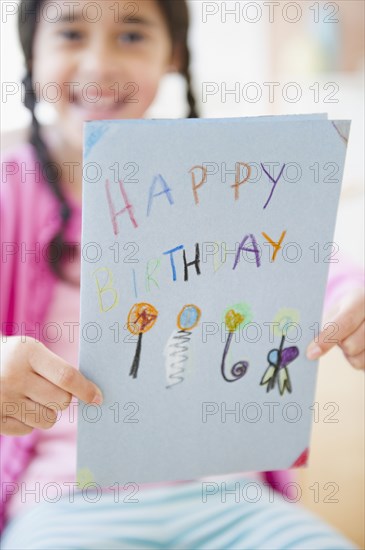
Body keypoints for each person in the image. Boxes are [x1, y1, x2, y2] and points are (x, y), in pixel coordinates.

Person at [0, 1, 363, 548]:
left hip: (230, 499)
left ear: (172, 53)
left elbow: (319, 266)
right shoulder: (10, 194)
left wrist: (353, 298)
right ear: (32, 52)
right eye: (71, 33)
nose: (99, 64)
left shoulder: (220, 177)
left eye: (131, 36)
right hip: (61, 504)